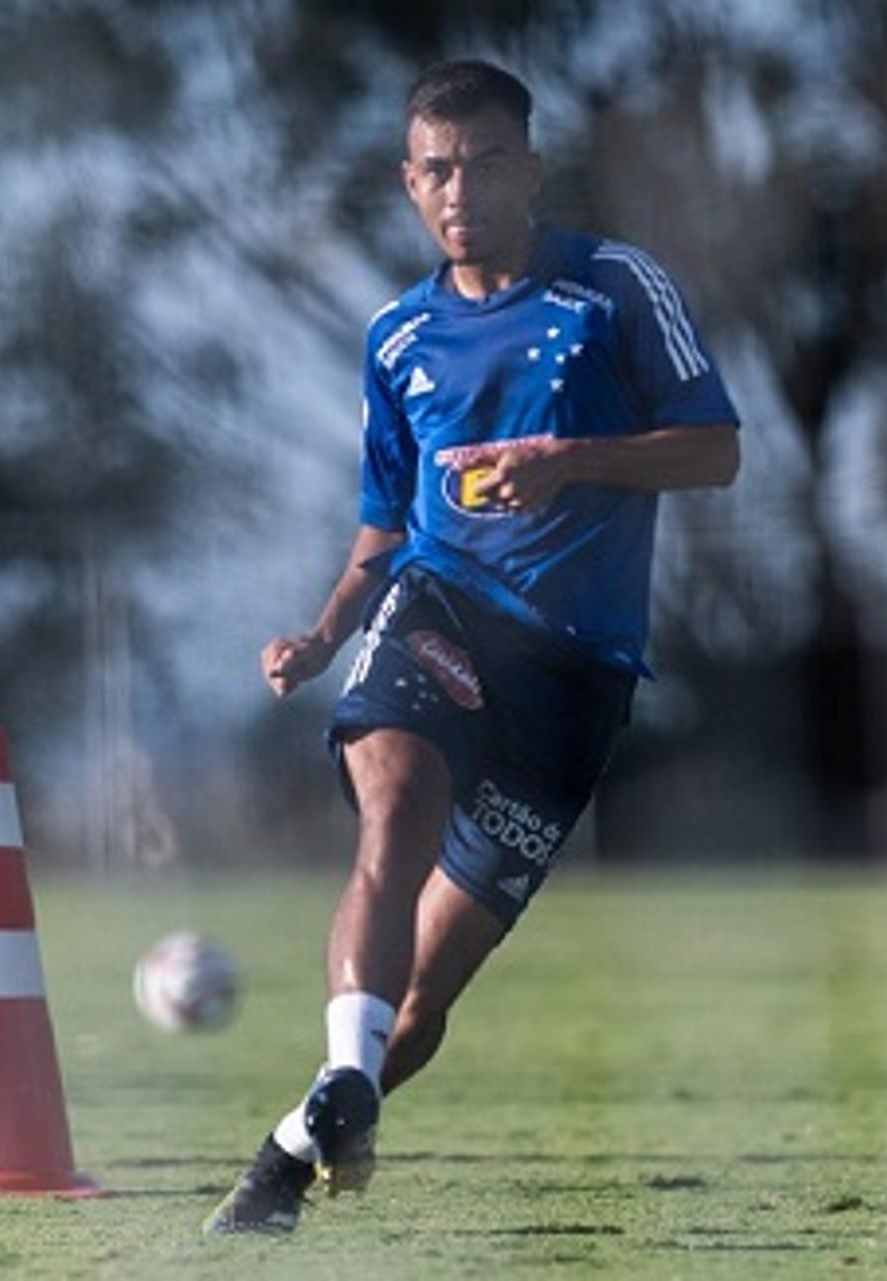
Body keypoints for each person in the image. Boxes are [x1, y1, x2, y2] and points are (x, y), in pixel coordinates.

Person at [205, 58, 741, 1236]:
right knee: (392, 804)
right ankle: (342, 1079)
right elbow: (384, 526)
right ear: (410, 184)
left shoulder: (612, 287)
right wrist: (324, 629)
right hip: (442, 606)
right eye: (438, 169)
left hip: (578, 674)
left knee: (425, 1000)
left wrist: (571, 458)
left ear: (531, 170)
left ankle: (301, 1141)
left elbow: (716, 450)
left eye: (487, 161)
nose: (462, 188)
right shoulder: (396, 336)